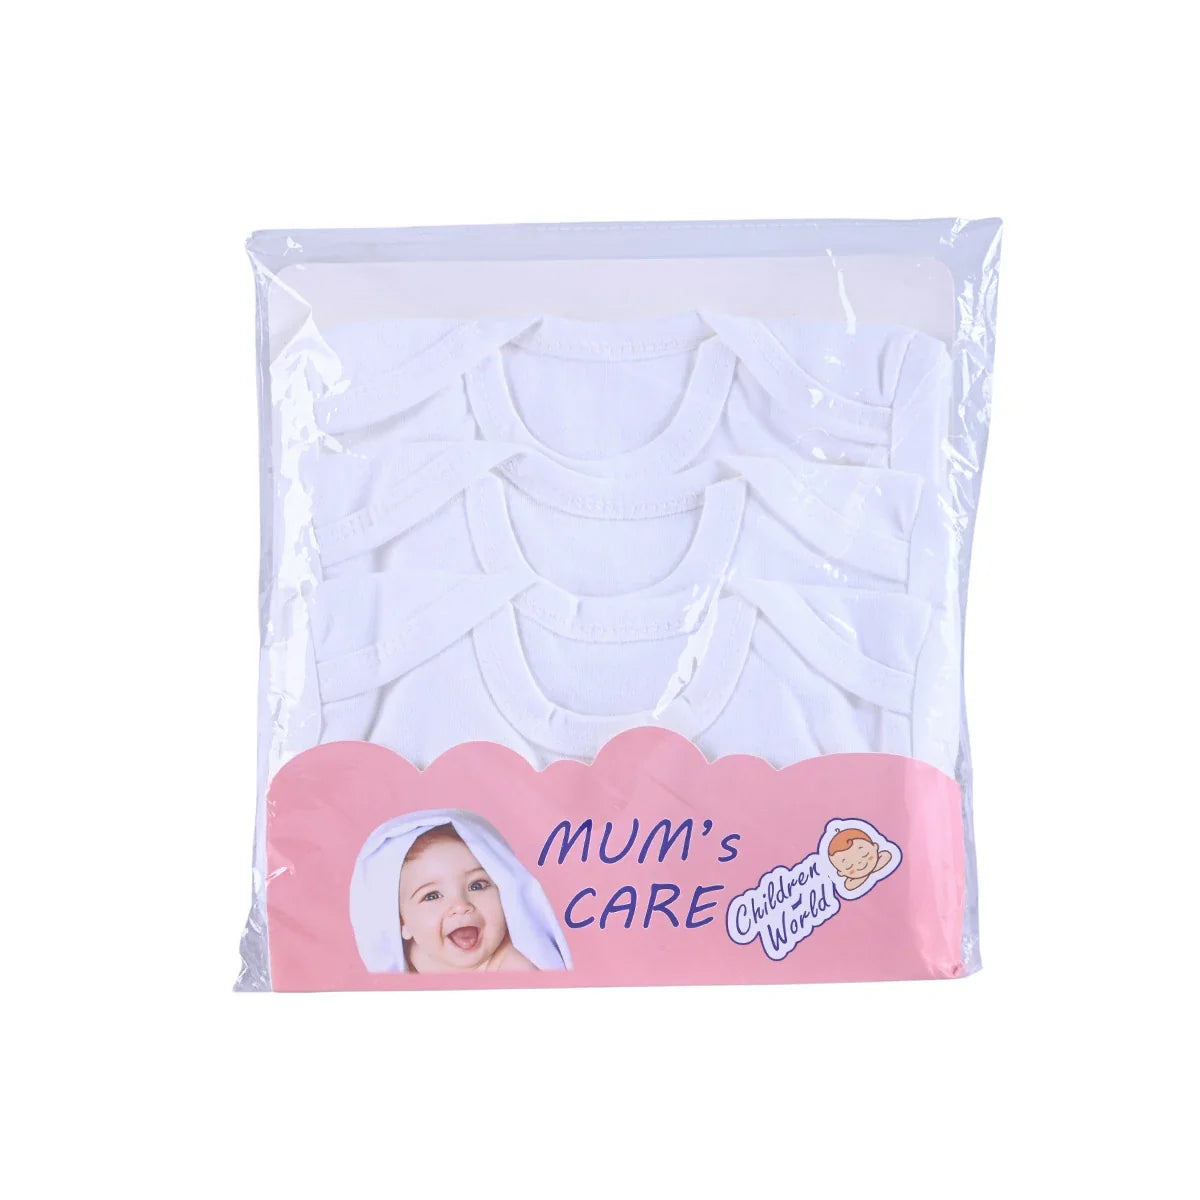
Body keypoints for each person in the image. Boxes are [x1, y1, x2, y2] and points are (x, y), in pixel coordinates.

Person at [350, 808, 572, 973]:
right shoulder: (412, 958)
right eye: (432, 896)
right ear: (402, 923)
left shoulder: (514, 967)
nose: (460, 905)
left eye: (477, 885)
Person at [827, 827, 892, 892]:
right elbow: (849, 885)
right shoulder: (850, 883)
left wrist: (864, 874)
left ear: (875, 846)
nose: (859, 863)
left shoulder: (883, 855)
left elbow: (886, 855)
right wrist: (865, 874)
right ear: (841, 872)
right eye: (849, 866)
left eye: (865, 855)